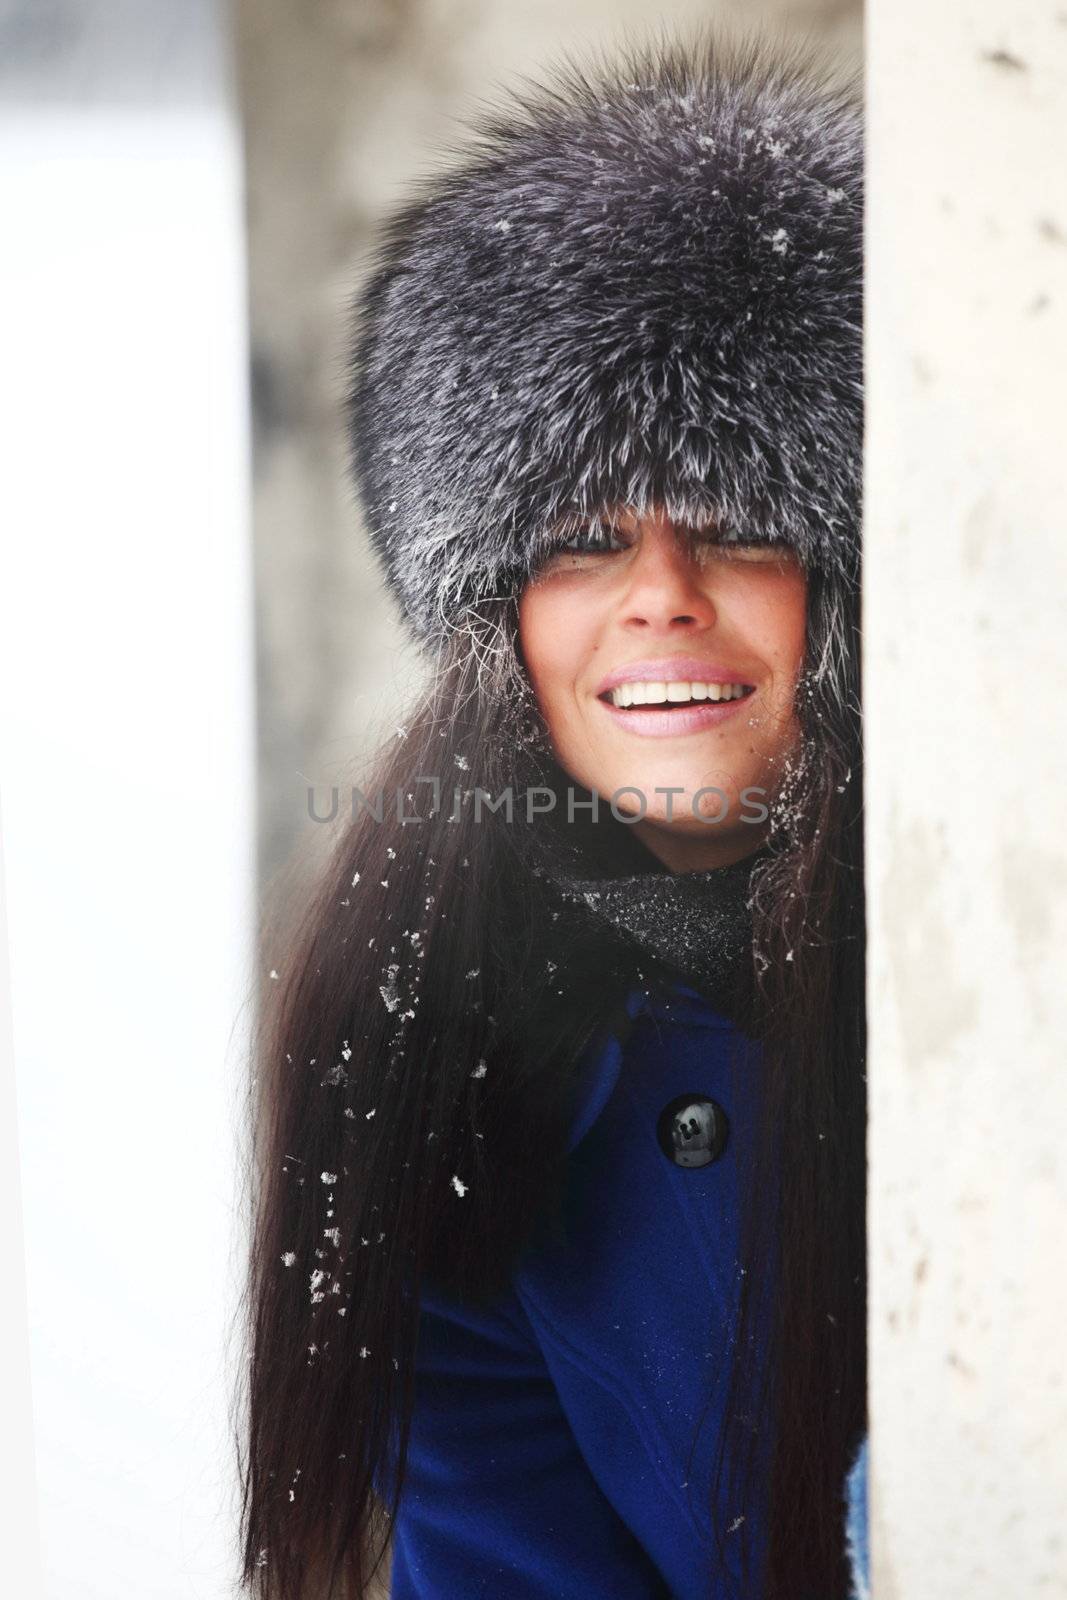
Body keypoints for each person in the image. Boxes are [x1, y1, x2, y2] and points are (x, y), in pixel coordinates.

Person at [238, 27, 868, 1600]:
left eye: (736, 521)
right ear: (496, 622)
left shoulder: (984, 949)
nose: (659, 597)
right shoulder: (443, 1034)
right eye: (582, 537)